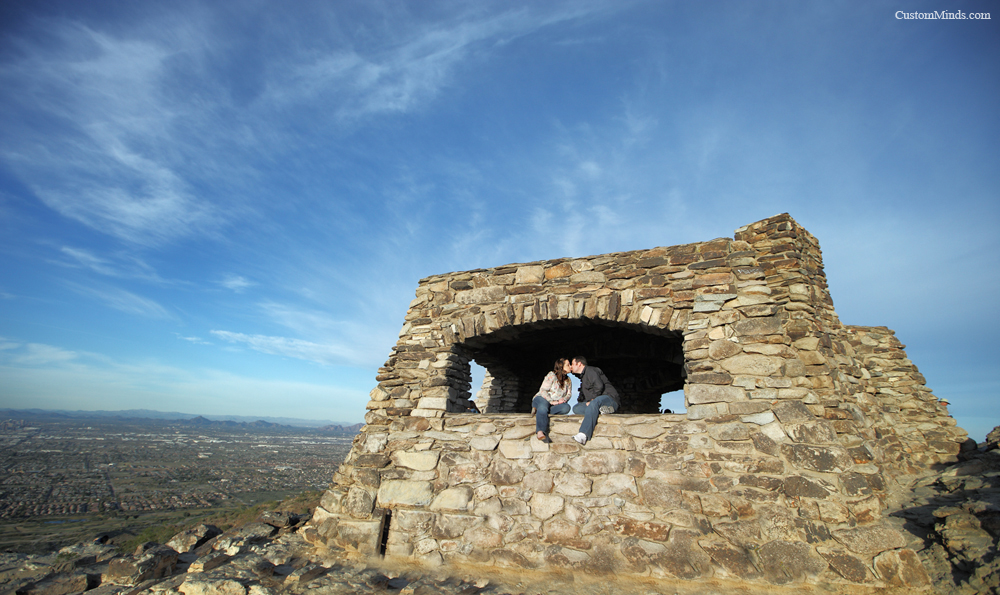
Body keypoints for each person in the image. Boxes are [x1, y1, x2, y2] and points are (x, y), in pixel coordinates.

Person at [569, 356, 620, 445]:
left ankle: (583, 435)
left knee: (594, 403)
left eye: (572, 364)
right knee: (577, 408)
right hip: (597, 403)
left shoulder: (591, 371)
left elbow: (599, 386)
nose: (571, 367)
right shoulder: (583, 378)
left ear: (579, 364)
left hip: (609, 398)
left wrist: (593, 399)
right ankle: (603, 410)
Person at [531, 358, 573, 443]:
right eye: (568, 365)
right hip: (542, 398)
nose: (570, 366)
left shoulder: (568, 380)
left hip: (554, 404)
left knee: (566, 408)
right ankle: (540, 431)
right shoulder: (551, 375)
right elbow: (543, 391)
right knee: (543, 406)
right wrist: (551, 401)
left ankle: (538, 410)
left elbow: (568, 394)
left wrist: (563, 400)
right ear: (561, 366)